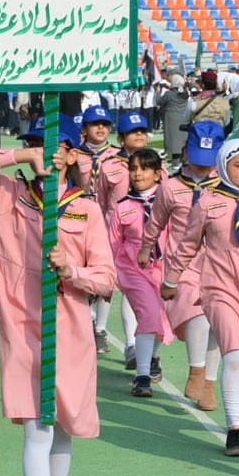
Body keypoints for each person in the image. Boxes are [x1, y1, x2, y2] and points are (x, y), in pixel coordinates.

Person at [0, 129, 116, 476]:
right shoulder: (8, 195)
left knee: (65, 424)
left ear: (71, 155)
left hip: (70, 328)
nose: (46, 154)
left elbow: (105, 278)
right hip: (23, 325)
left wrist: (72, 271)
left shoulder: (86, 210)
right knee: (38, 425)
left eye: (54, 147)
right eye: (38, 145)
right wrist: (21, 154)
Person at [163, 138, 239, 456]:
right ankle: (235, 430)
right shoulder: (207, 202)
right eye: (238, 165)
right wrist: (172, 279)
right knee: (234, 356)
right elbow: (188, 245)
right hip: (220, 290)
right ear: (222, 167)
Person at [138, 121, 224, 409]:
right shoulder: (172, 187)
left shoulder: (228, 188)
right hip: (181, 264)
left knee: (217, 325)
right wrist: (146, 247)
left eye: (208, 163)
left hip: (219, 264)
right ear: (186, 153)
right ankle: (196, 368)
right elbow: (156, 222)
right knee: (196, 312)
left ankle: (209, 382)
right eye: (197, 160)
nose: (202, 168)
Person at [109, 148, 173, 396]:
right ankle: (142, 376)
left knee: (164, 318)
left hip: (164, 266)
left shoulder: (169, 202)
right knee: (148, 313)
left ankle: (153, 355)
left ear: (158, 174)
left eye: (144, 169)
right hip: (133, 268)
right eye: (133, 169)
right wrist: (111, 274)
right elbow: (114, 241)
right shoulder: (123, 206)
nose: (138, 174)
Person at [95, 111, 151, 369]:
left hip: (146, 239)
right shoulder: (108, 166)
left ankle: (135, 345)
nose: (139, 134)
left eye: (142, 130)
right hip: (114, 238)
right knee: (112, 289)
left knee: (139, 293)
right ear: (121, 138)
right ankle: (107, 331)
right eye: (133, 131)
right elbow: (101, 202)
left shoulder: (155, 165)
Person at [157, 75, 191, 167]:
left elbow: (159, 101)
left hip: (171, 118)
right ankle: (183, 160)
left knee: (173, 140)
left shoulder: (169, 94)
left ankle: (176, 161)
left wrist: (158, 91)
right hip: (184, 117)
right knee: (182, 140)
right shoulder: (185, 93)